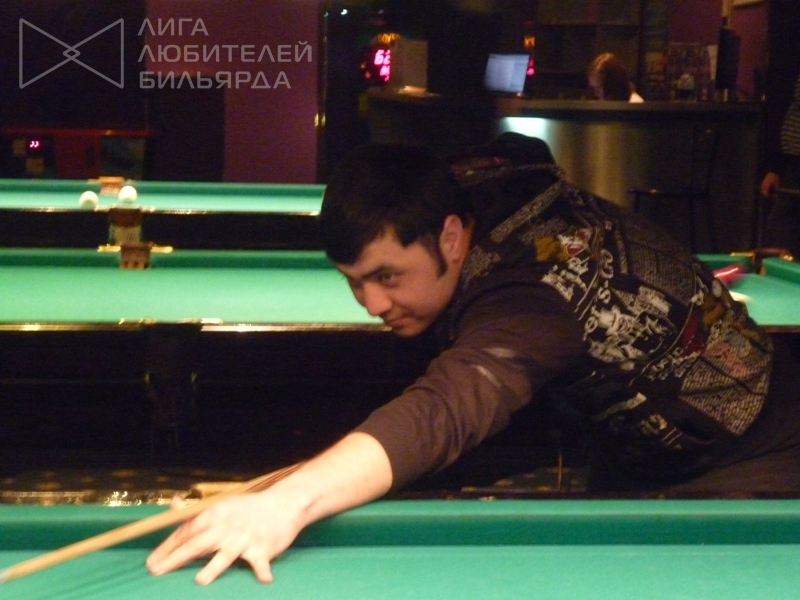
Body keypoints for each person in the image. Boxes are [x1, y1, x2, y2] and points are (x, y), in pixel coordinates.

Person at [146, 132, 800, 585]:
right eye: (354, 282)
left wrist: (286, 502)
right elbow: (521, 153)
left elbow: (448, 409)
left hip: (751, 454)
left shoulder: (535, 297)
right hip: (636, 436)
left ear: (452, 237)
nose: (372, 304)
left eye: (388, 276)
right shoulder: (465, 190)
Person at [760, 69, 800, 257]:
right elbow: (791, 112)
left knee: (780, 228)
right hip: (794, 160)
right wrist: (775, 168)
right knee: (779, 231)